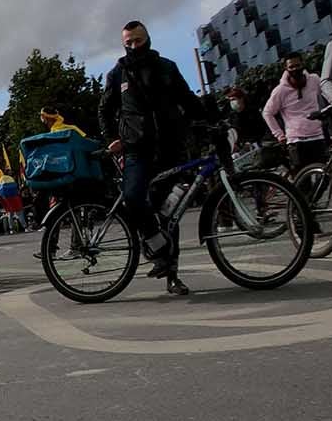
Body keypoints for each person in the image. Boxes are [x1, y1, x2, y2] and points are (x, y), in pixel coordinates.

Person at [98, 20, 203, 296]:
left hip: (169, 148)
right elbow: (105, 110)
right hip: (136, 149)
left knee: (169, 213)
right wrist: (111, 139)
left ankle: (172, 274)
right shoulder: (117, 74)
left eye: (138, 40)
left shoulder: (167, 67)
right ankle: (156, 246)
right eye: (128, 42)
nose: (134, 46)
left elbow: (188, 99)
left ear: (149, 39)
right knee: (132, 197)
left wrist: (212, 119)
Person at [264, 52, 327, 170]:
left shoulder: (314, 80)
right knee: (303, 181)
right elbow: (267, 113)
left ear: (302, 64)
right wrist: (279, 135)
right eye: (291, 67)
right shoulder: (280, 90)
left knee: (325, 176)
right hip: (296, 140)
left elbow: (325, 94)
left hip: (318, 136)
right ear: (286, 69)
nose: (295, 69)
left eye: (297, 65)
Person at [223, 86, 271, 151]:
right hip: (246, 147)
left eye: (233, 99)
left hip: (261, 142)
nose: (232, 102)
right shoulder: (232, 117)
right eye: (230, 100)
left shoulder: (253, 111)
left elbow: (261, 128)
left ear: (241, 99)